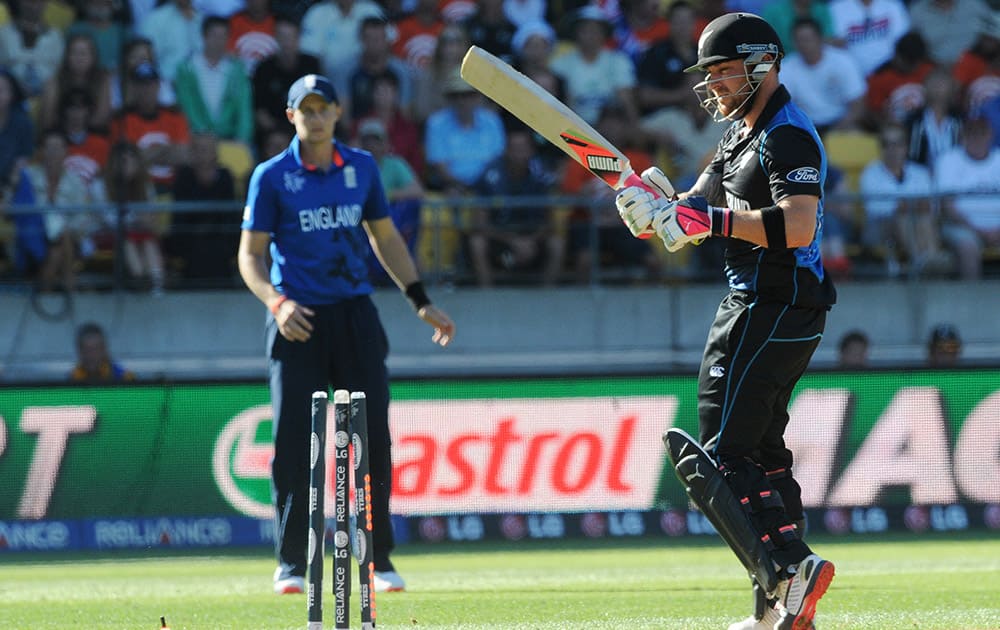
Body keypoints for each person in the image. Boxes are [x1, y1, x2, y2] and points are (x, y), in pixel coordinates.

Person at [614, 13, 836, 630]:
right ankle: (781, 611)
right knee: (761, 454)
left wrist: (704, 223)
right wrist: (650, 207)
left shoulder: (784, 135)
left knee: (722, 458)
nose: (711, 84)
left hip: (775, 302)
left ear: (762, 64)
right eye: (706, 72)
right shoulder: (741, 132)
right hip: (765, 305)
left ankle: (791, 569)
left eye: (722, 70)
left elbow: (797, 226)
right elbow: (693, 207)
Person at [238, 74, 455, 596]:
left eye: (323, 108)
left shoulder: (361, 168)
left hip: (355, 316)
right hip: (297, 319)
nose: (314, 117)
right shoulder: (271, 177)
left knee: (371, 441)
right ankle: (291, 563)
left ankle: (378, 560)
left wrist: (420, 300)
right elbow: (250, 255)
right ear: (291, 116)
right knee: (292, 444)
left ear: (337, 113)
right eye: (304, 109)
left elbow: (385, 238)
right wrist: (277, 301)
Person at [69, 321, 135, 383]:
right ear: (79, 351)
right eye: (87, 351)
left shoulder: (124, 378)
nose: (92, 356)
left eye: (96, 350)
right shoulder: (72, 379)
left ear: (104, 350)